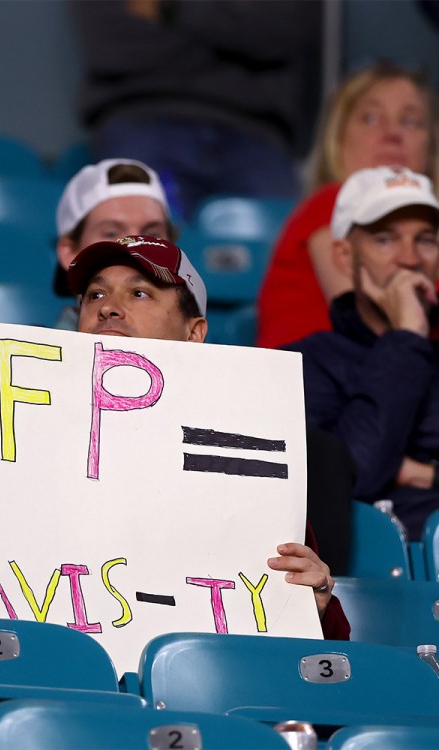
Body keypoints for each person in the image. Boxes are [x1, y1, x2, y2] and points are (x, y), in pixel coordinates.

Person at [68, 233, 350, 639]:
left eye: (140, 294)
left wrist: (316, 603)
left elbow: (327, 651)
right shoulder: (9, 437)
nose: (109, 308)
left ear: (194, 333)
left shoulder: (253, 454)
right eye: (95, 295)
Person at [287, 165, 439, 542]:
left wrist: (425, 474)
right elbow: (352, 476)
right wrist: (405, 337)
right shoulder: (304, 363)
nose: (409, 259)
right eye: (385, 239)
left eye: (426, 240)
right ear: (343, 256)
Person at [69, 0, 321, 220]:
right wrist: (238, 26)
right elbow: (113, 45)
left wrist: (167, 8)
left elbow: (282, 28)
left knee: (285, 250)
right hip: (141, 120)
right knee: (136, 252)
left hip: (258, 137)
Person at [257, 62, 439, 349]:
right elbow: (376, 323)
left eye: (410, 121)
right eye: (370, 118)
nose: (392, 133)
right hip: (312, 386)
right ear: (338, 139)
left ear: (430, 147)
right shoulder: (330, 203)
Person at [55, 157, 177, 329]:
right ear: (70, 253)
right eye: (112, 233)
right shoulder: (28, 356)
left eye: (152, 234)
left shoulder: (201, 352)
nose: (136, 248)